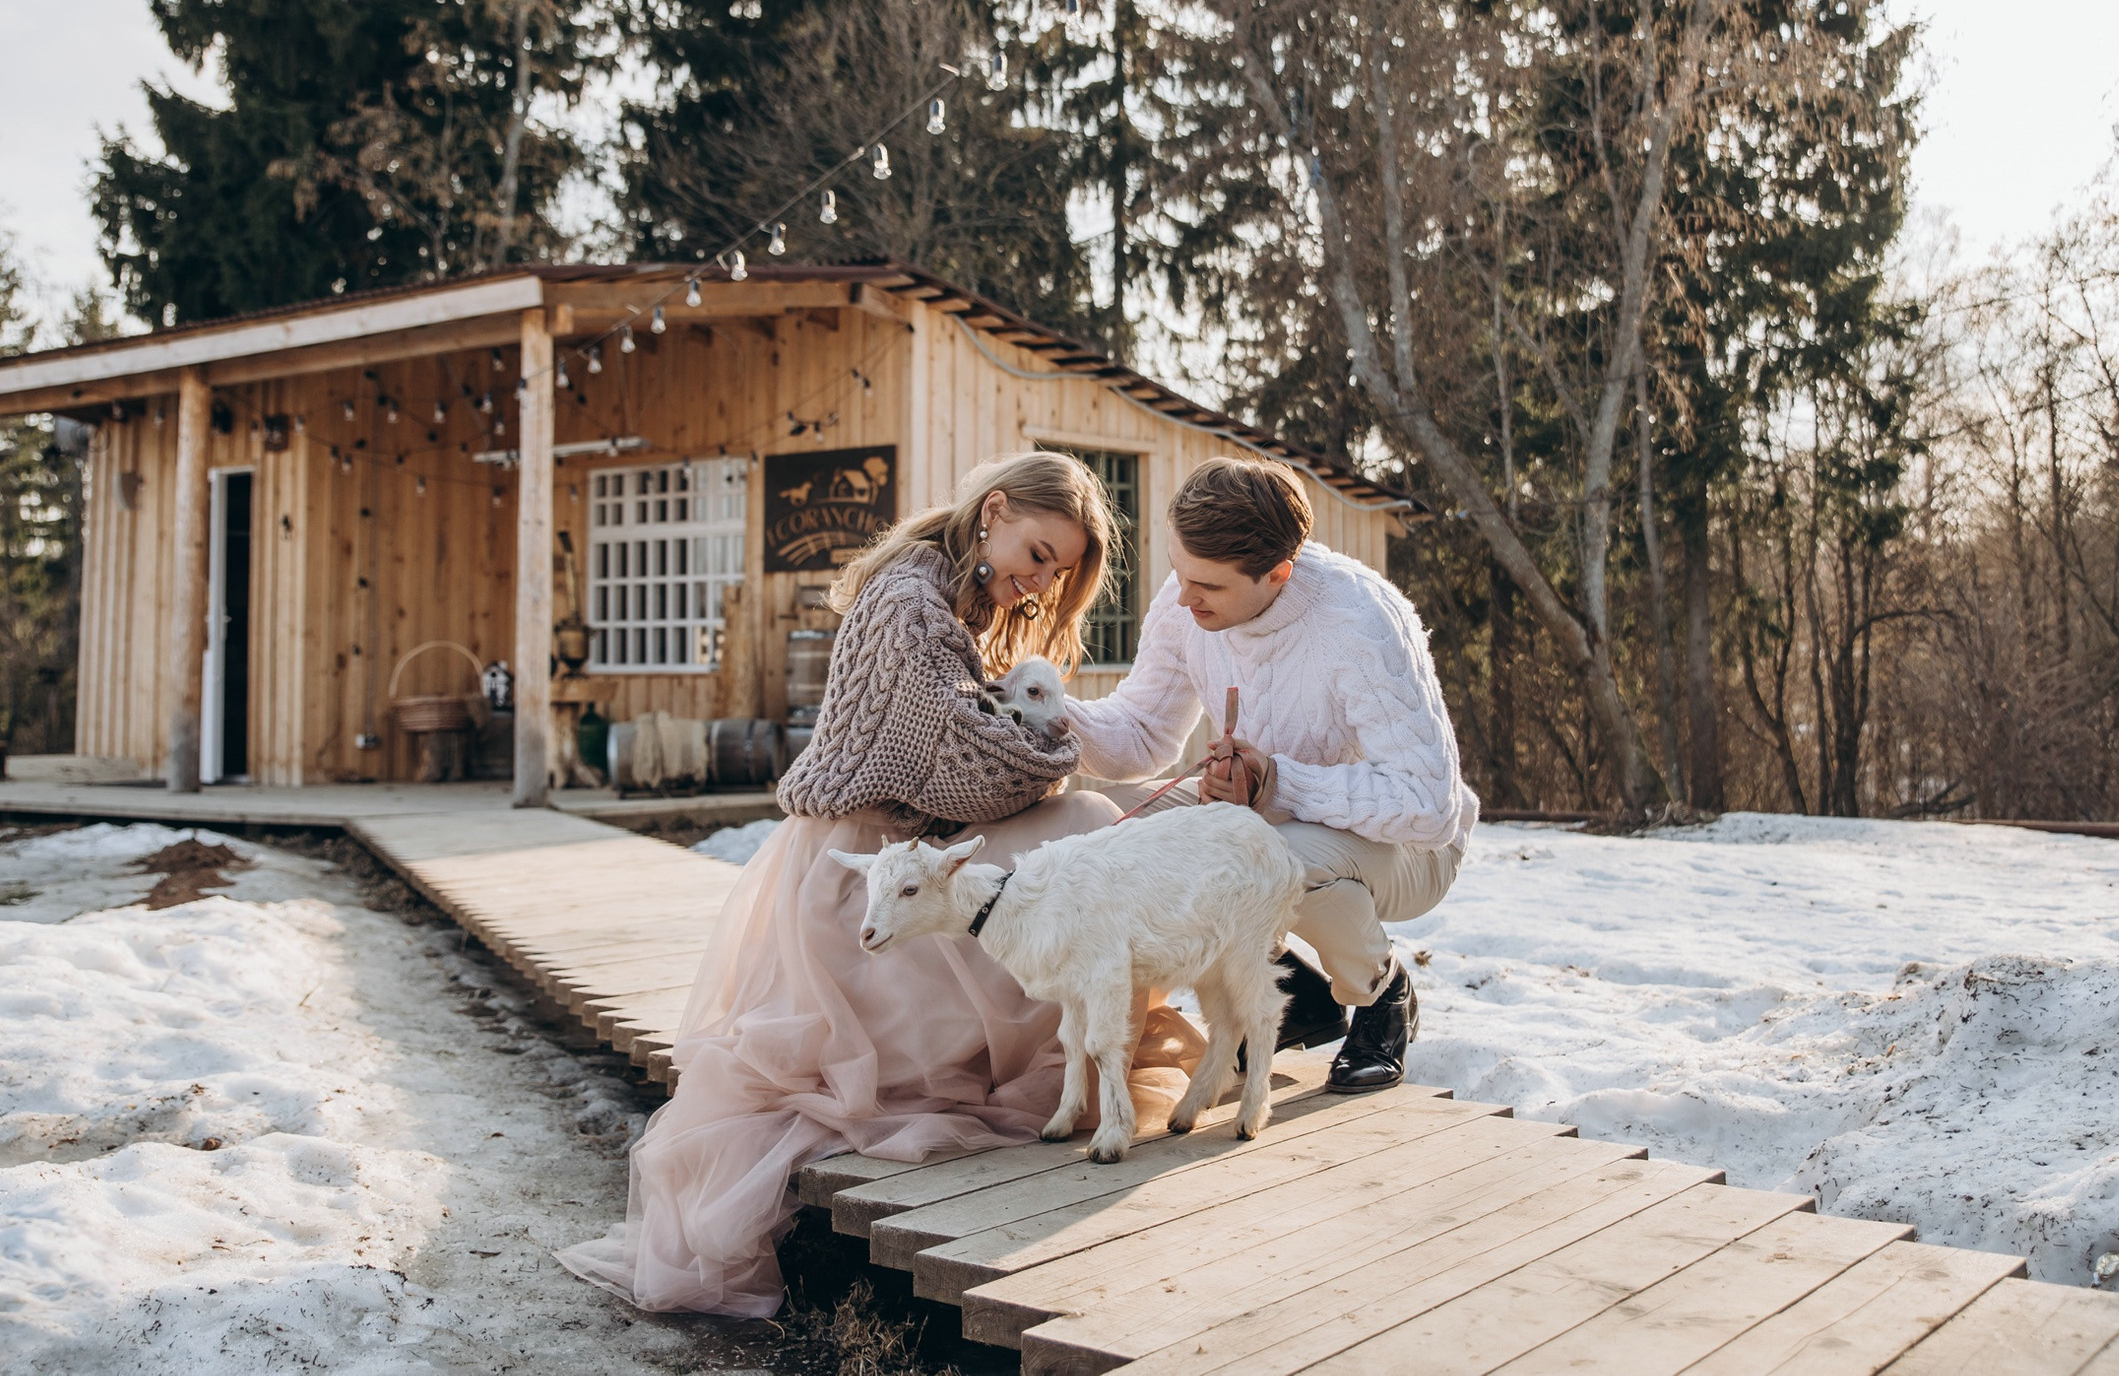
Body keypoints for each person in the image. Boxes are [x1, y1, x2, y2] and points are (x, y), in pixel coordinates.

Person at [558, 451, 1177, 1318]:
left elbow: (980, 761)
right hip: (859, 869)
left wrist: (1044, 744)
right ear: (993, 511)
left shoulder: (946, 587)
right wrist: (1058, 745)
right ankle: (1038, 1033)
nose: (1041, 580)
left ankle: (1074, 1025)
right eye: (1037, 553)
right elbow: (970, 771)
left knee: (1088, 831)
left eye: (1058, 569)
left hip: (899, 841)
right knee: (1084, 829)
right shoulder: (910, 602)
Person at [1063, 457, 1478, 1091]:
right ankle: (1296, 993)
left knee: (1262, 855)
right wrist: (1042, 713)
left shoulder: (1359, 625)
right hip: (1276, 828)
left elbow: (1428, 804)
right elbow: (1142, 735)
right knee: (1117, 835)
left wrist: (1277, 784)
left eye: (1206, 585)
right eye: (1177, 571)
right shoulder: (1190, 600)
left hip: (1413, 849)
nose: (1181, 596)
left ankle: (1380, 993)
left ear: (1277, 574)